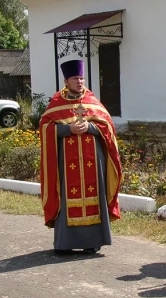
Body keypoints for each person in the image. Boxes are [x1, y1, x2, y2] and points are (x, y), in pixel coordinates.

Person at [39, 59, 122, 255]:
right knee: (67, 198)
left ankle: (92, 242)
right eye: (76, 78)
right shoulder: (57, 102)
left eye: (82, 78)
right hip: (66, 165)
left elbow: (108, 126)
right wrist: (67, 129)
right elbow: (44, 128)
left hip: (93, 162)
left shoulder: (92, 101)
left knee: (95, 196)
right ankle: (65, 243)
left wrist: (90, 127)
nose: (80, 82)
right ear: (66, 81)